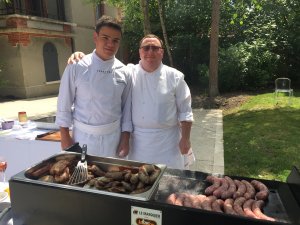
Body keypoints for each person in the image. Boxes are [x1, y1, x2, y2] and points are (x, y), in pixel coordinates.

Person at [68, 34, 193, 169]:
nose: (150, 52)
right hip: (138, 145)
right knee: (140, 182)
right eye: (146, 48)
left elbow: (185, 111)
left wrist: (185, 139)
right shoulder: (128, 72)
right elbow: (105, 67)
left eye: (155, 48)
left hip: (168, 144)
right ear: (140, 52)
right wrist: (82, 56)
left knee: (170, 183)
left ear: (161, 52)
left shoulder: (175, 77)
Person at [55, 15, 132, 158]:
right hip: (83, 138)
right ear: (95, 37)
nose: (110, 44)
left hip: (113, 140)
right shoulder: (77, 66)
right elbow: (64, 103)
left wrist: (125, 139)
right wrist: (65, 137)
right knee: (85, 178)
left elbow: (127, 110)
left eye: (115, 40)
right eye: (105, 38)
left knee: (112, 179)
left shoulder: (124, 72)